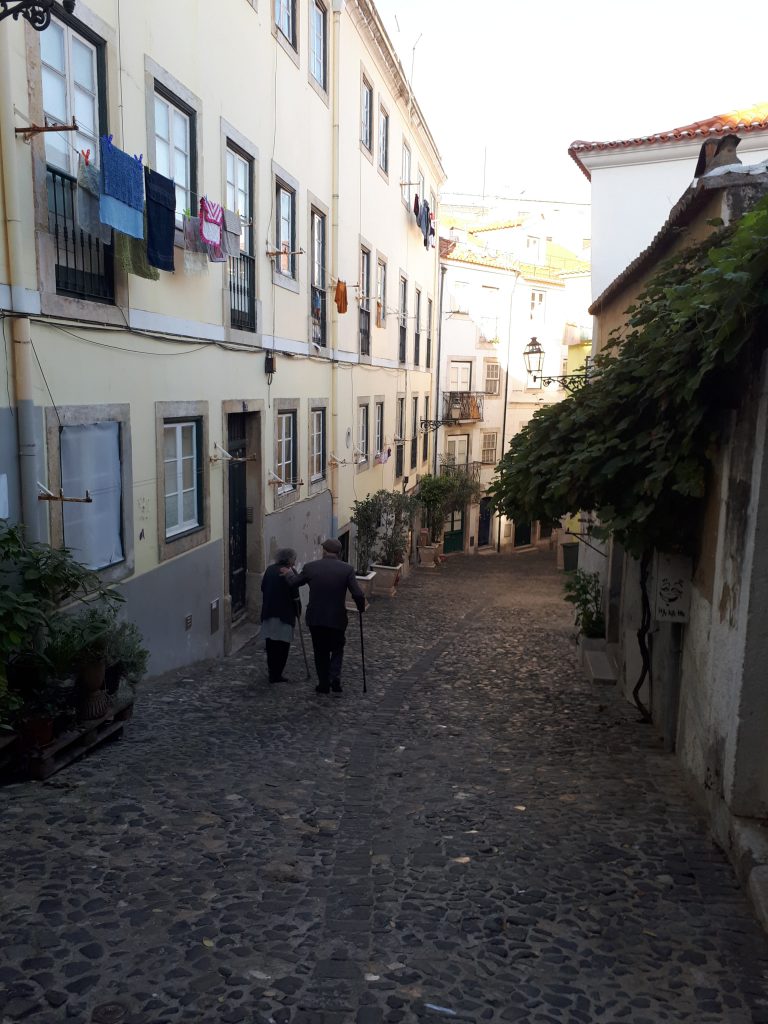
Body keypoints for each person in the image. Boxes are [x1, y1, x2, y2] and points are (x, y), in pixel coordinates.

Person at [284, 538, 365, 695]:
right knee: (337, 648)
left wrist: (288, 573)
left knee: (320, 650)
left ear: (325, 551)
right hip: (337, 618)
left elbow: (294, 582)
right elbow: (358, 594)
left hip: (317, 618)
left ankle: (323, 684)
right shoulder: (347, 569)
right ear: (339, 552)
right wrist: (361, 608)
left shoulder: (311, 567)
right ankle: (335, 677)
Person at [260, 548, 300, 683]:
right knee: (283, 646)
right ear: (290, 560)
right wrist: (298, 611)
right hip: (285, 614)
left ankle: (272, 672)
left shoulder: (269, 570)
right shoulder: (291, 573)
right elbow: (295, 594)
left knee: (271, 645)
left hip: (269, 612)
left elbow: (263, 587)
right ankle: (277, 674)